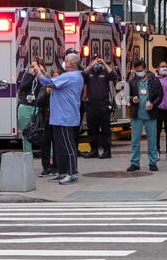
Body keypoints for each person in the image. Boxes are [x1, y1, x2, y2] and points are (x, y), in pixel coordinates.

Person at [32, 52, 84, 184]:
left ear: (71, 63)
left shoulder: (71, 76)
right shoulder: (71, 76)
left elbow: (48, 83)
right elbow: (56, 81)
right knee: (60, 147)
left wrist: (38, 72)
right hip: (59, 116)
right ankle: (62, 172)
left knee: (68, 146)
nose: (64, 62)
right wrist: (44, 72)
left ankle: (72, 173)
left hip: (66, 117)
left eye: (66, 60)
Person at [126, 59, 163, 172]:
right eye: (137, 71)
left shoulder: (154, 81)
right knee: (135, 140)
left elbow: (160, 96)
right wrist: (133, 99)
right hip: (137, 116)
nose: (139, 73)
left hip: (150, 115)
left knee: (152, 140)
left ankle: (153, 162)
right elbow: (127, 96)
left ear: (145, 69)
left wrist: (153, 104)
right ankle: (134, 163)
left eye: (141, 71)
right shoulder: (132, 82)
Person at [81, 57, 117, 159]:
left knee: (105, 130)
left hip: (104, 105)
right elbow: (82, 75)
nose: (97, 63)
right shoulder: (89, 73)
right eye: (95, 61)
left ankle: (107, 151)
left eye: (98, 61)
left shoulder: (105, 72)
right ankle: (94, 150)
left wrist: (104, 63)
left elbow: (114, 76)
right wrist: (91, 65)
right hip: (91, 105)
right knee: (92, 130)